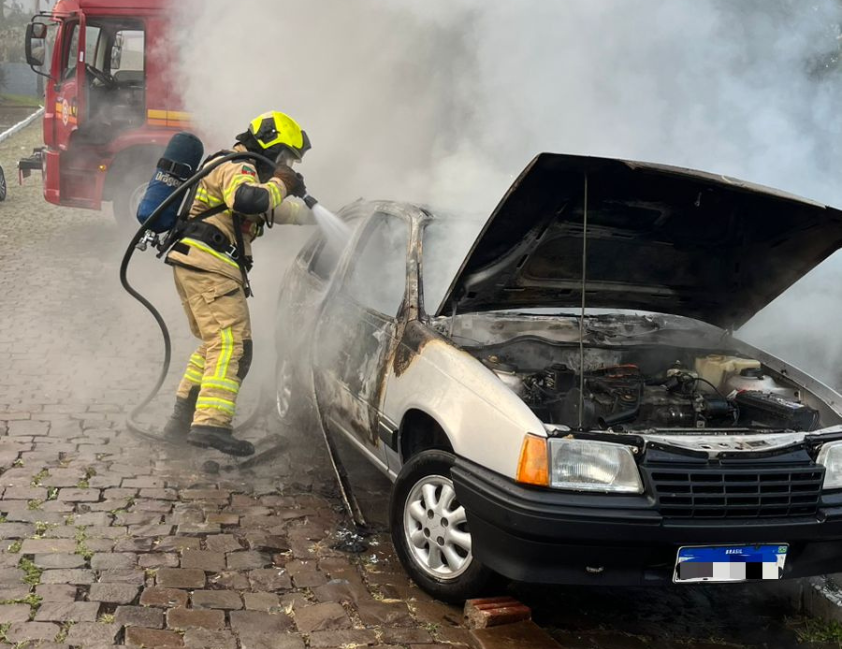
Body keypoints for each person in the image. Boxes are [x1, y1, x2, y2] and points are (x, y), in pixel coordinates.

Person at [161, 111, 313, 456]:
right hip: (208, 266)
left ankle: (181, 421)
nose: (285, 164)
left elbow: (270, 211)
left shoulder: (238, 172)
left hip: (199, 265)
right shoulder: (238, 165)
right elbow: (249, 200)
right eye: (285, 157)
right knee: (233, 345)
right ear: (271, 147)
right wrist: (284, 182)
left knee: (215, 345)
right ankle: (210, 425)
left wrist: (317, 216)